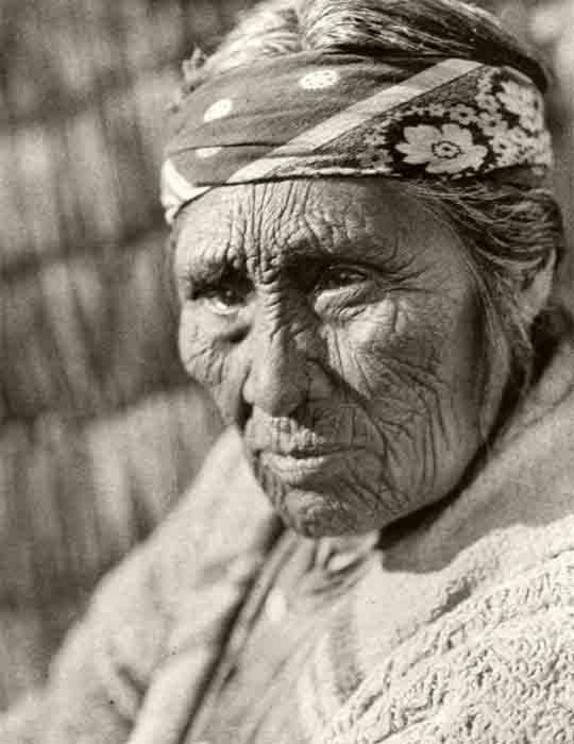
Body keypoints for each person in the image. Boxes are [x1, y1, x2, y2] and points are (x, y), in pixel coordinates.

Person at [2, 0, 573, 741]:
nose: (272, 385)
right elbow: (75, 712)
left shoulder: (540, 625)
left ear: (526, 269)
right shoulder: (246, 496)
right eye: (220, 292)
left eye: (340, 281)